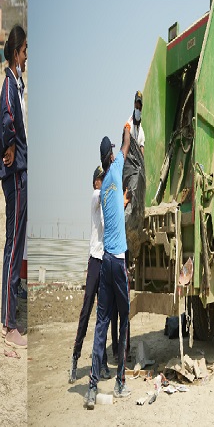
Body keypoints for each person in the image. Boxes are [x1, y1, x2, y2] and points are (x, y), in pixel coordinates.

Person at [84, 126, 132, 410]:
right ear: (111, 155)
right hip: (120, 262)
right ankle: (120, 382)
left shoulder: (103, 193)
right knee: (124, 320)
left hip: (104, 263)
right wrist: (128, 126)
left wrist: (122, 202)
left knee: (101, 323)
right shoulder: (116, 169)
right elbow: (127, 143)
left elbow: (113, 211)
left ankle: (91, 387)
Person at [0, 25, 28, 349]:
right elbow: (8, 120)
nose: (27, 56)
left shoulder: (16, 84)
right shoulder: (9, 86)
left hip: (20, 171)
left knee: (16, 246)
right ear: (17, 52)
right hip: (17, 176)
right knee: (13, 246)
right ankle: (9, 324)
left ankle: (11, 314)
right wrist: (9, 148)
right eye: (25, 51)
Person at [69, 166, 111, 384]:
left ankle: (102, 361)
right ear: (96, 182)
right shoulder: (96, 196)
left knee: (103, 316)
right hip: (95, 261)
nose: (105, 183)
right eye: (102, 179)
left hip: (106, 262)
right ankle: (75, 357)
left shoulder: (105, 200)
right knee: (86, 310)